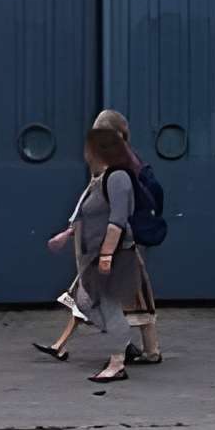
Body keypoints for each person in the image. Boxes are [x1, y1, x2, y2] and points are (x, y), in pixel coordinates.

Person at [34, 122, 144, 385]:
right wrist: (67, 235)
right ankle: (124, 342)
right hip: (94, 256)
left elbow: (117, 221)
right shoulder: (102, 179)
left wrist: (106, 255)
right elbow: (89, 214)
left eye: (89, 149)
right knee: (84, 302)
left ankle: (117, 363)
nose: (85, 154)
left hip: (114, 256)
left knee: (108, 305)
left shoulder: (118, 178)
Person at [94, 106, 164, 366]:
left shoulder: (118, 165)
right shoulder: (133, 160)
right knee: (138, 295)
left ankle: (121, 353)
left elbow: (117, 209)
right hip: (131, 237)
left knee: (120, 296)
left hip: (124, 238)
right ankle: (150, 349)